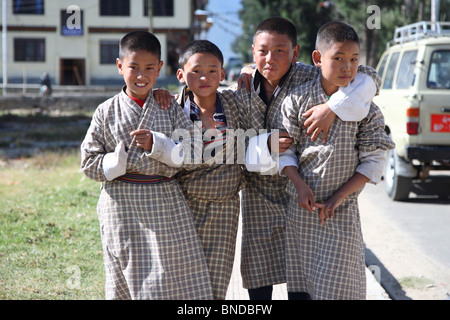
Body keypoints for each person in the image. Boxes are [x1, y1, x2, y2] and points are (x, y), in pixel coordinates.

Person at [236, 17, 382, 300]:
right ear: (252, 51)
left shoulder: (308, 76)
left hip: (308, 197)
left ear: (296, 53)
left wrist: (331, 107)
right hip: (261, 194)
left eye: (281, 50)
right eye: (263, 51)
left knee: (311, 278)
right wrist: (265, 144)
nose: (271, 58)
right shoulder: (240, 90)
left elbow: (370, 78)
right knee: (259, 276)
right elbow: (222, 139)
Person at [80, 31, 213, 300]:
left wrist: (160, 145)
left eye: (149, 68)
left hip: (164, 202)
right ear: (119, 66)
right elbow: (88, 162)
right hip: (121, 205)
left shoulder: (169, 107)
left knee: (171, 275)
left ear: (159, 68)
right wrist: (116, 162)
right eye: (133, 68)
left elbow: (196, 151)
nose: (141, 76)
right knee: (125, 276)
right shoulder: (105, 111)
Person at [278, 21, 395, 300]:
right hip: (301, 208)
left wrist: (339, 197)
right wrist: (299, 185)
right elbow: (285, 151)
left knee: (340, 287)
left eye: (354, 59)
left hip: (341, 209)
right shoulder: (296, 100)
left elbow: (373, 160)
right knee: (301, 286)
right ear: (317, 59)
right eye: (338, 58)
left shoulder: (366, 109)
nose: (347, 67)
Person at [174, 40, 244, 300]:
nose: (205, 77)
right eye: (196, 71)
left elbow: (263, 76)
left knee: (216, 285)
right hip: (182, 206)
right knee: (182, 282)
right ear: (181, 75)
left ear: (223, 74)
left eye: (213, 70)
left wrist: (247, 70)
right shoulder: (170, 108)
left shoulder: (234, 103)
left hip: (224, 208)